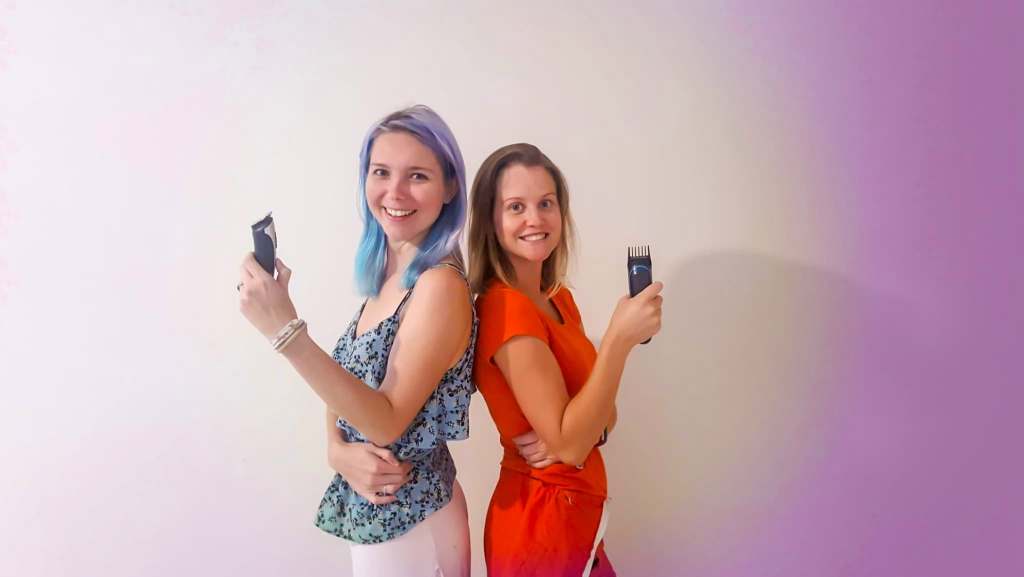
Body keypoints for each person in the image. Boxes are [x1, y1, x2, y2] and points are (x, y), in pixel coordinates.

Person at [238, 105, 475, 577]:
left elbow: (385, 421)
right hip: (383, 520)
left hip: (414, 518)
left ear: (450, 187)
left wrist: (286, 331)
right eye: (381, 172)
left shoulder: (440, 286)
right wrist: (336, 448)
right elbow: (348, 382)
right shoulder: (390, 274)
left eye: (418, 176)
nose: (395, 192)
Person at [467, 143, 663, 577]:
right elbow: (572, 443)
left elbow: (602, 416)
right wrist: (618, 340)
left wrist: (584, 431)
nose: (535, 219)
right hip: (539, 527)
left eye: (546, 203)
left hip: (574, 516)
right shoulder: (505, 308)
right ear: (490, 220)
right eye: (515, 207)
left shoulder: (558, 300)